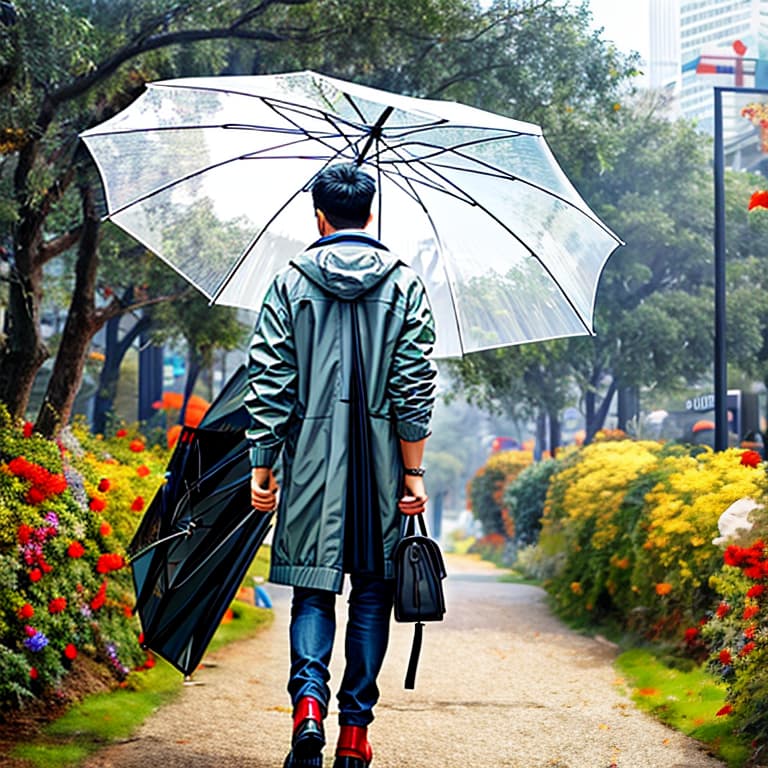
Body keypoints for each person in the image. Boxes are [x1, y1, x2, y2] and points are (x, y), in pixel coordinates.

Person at [245, 162, 437, 768]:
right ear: (371, 214)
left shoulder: (287, 283)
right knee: (372, 596)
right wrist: (413, 475)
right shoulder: (406, 285)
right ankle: (354, 735)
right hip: (382, 470)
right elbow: (414, 386)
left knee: (312, 593)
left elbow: (270, 378)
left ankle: (307, 707)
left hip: (310, 470)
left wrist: (264, 466)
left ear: (320, 217)